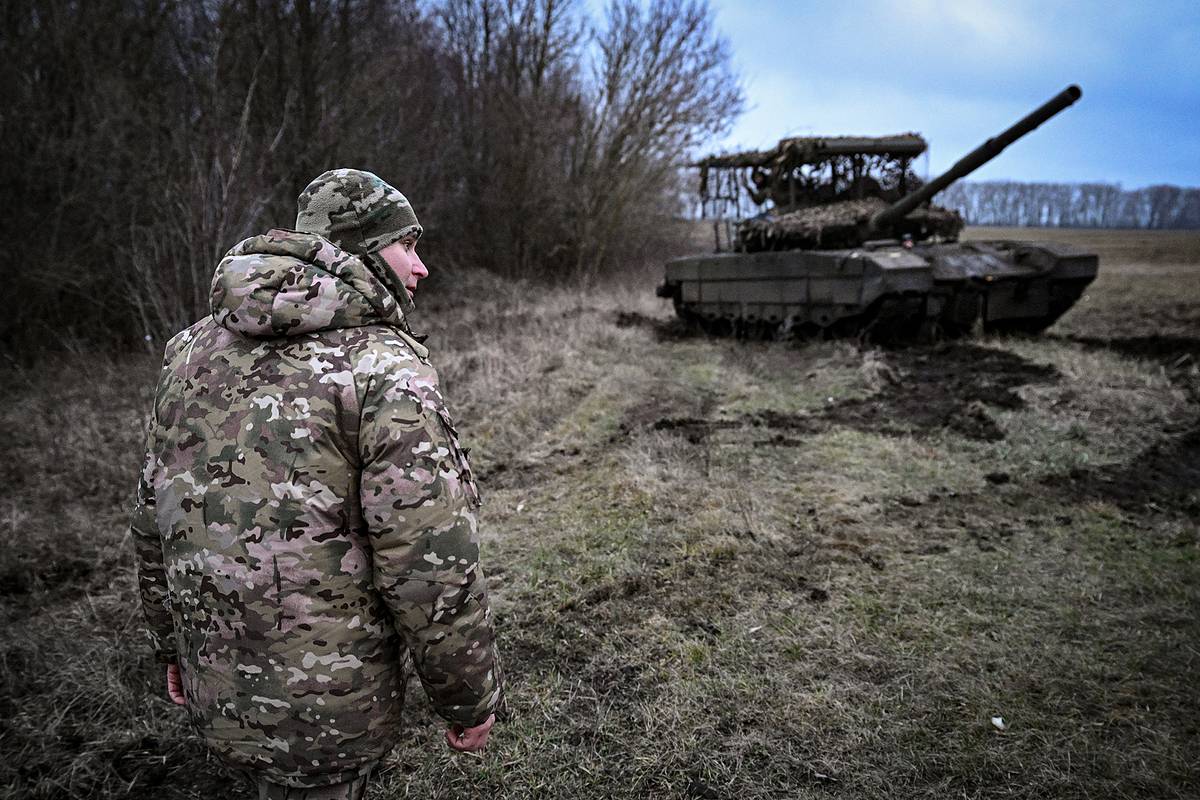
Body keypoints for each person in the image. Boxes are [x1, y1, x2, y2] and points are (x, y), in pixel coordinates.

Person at [128, 168, 504, 800]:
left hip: (219, 686)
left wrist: (171, 645)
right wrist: (466, 698)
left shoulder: (189, 350)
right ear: (359, 251)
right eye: (406, 246)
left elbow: (153, 517)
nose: (421, 267)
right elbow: (428, 560)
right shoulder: (382, 367)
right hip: (331, 708)